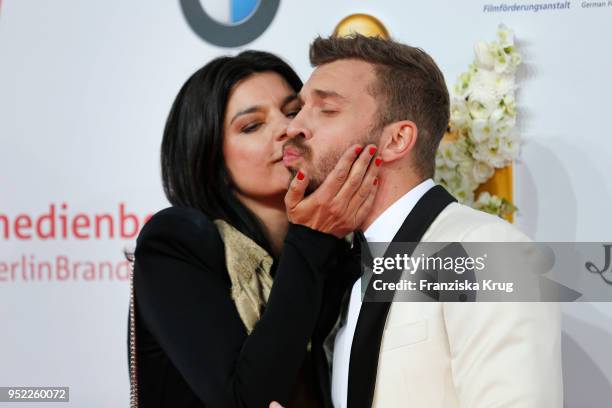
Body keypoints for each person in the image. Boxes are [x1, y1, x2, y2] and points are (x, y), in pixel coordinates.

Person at [277, 34, 563, 408]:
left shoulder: (491, 254)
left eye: (327, 110)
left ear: (397, 140)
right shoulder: (349, 273)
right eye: (299, 109)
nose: (294, 127)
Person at [130, 50, 381, 407]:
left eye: (293, 112)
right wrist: (309, 234)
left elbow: (475, 282)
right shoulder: (176, 241)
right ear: (209, 156)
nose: (286, 129)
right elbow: (247, 399)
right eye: (252, 126)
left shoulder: (337, 248)